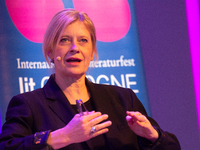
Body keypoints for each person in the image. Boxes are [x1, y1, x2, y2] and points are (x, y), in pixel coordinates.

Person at [0, 8, 181, 150]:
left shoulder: (123, 99)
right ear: (50, 52)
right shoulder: (28, 105)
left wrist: (152, 137)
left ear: (92, 52)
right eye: (64, 40)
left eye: (83, 41)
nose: (74, 48)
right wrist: (63, 136)